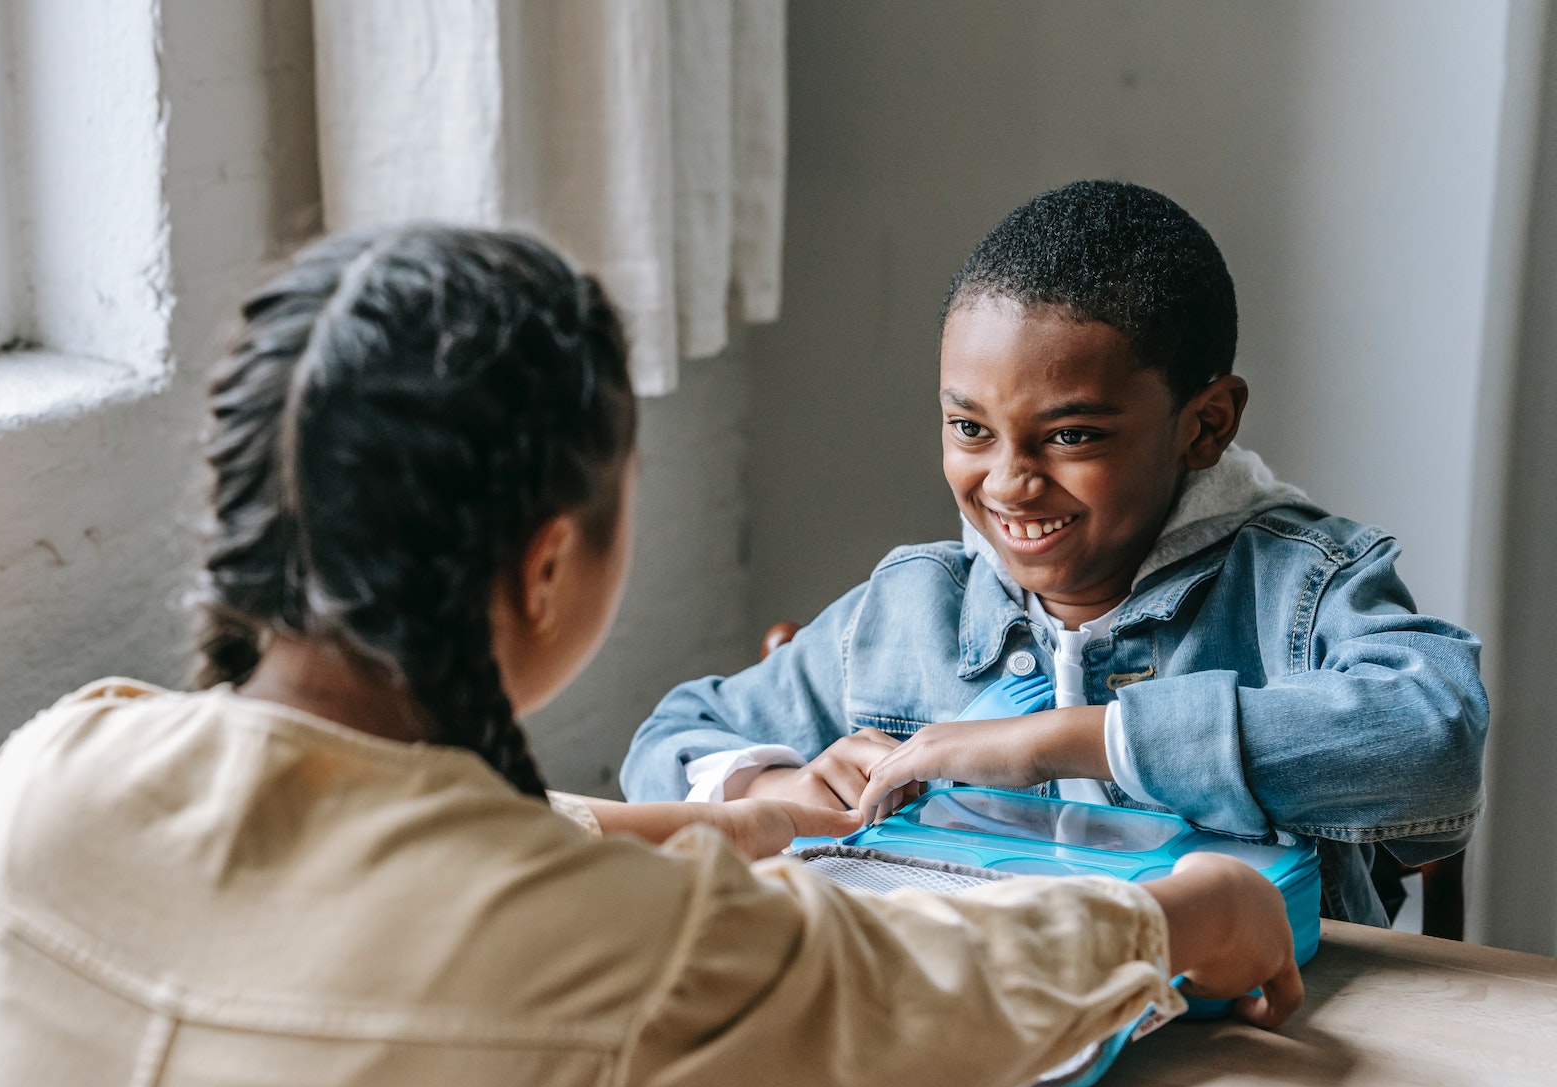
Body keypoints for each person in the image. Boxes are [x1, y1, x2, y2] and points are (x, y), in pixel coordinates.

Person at [0, 224, 1299, 1087]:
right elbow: (927, 989)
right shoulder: (591, 961)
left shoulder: (59, 772)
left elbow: (366, 865)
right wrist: (1180, 916)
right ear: (550, 561)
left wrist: (722, 826)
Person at [621, 181, 1488, 927]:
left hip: (1253, 1051)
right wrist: (764, 791)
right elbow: (665, 743)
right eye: (969, 429)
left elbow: (1436, 744)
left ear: (1206, 424)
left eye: (1070, 435)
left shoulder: (1298, 594)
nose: (1008, 483)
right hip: (981, 1046)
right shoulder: (911, 609)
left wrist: (1065, 741)